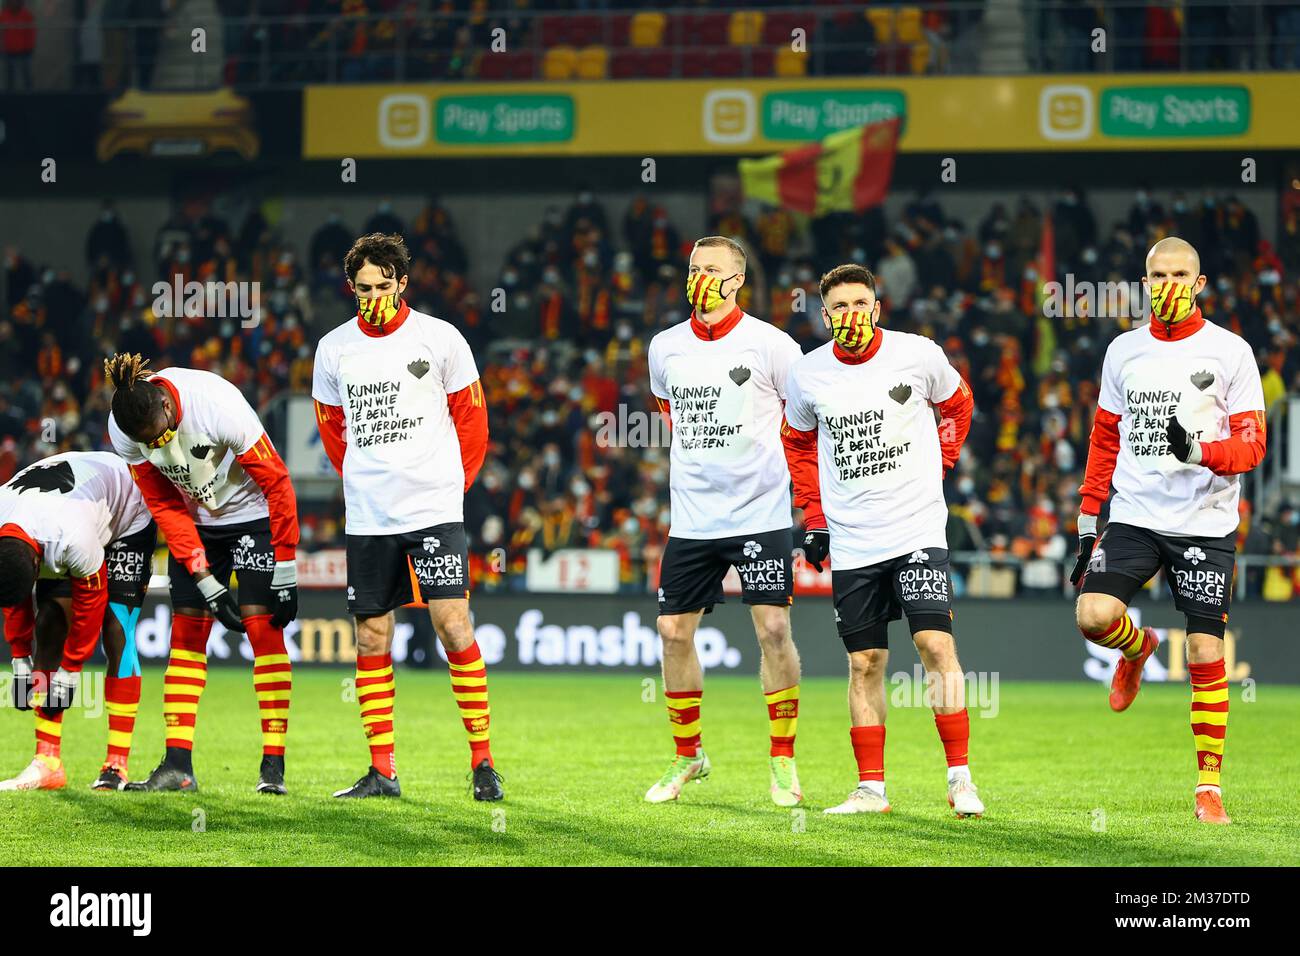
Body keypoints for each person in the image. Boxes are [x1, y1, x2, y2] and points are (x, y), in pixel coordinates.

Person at [1071, 237, 1267, 826]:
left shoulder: (1232, 352)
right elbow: (1105, 437)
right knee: (1092, 616)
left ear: (1200, 283)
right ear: (1145, 281)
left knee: (1207, 648)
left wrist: (1201, 450)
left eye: (1181, 274)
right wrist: (1088, 518)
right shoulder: (1123, 351)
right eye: (1158, 275)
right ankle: (1139, 647)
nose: (1169, 284)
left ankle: (1209, 787)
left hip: (1204, 523)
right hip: (1134, 513)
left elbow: (1253, 444)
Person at [781, 263, 983, 817]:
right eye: (839, 307)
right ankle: (871, 788)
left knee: (934, 646)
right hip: (852, 539)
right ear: (825, 316)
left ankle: (960, 778)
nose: (851, 314)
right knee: (865, 662)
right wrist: (815, 516)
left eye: (859, 303)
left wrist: (940, 460)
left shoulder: (917, 354)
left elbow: (959, 406)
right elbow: (797, 445)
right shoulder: (807, 373)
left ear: (877, 306)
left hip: (916, 526)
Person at [312, 233, 500, 801]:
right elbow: (333, 432)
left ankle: (483, 763)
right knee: (371, 637)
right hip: (370, 515)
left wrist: (449, 488)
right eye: (362, 288)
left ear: (402, 283)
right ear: (352, 288)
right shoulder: (333, 348)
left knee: (453, 624)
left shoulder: (440, 338)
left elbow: (473, 424)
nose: (373, 295)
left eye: (382, 285)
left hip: (434, 510)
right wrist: (370, 480)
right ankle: (383, 771)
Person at [644, 235, 806, 807]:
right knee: (672, 633)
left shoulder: (773, 345)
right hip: (692, 516)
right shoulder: (664, 347)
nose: (699, 277)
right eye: (693, 268)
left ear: (737, 280)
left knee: (774, 630)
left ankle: (783, 761)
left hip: (760, 512)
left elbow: (803, 420)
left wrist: (805, 500)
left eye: (712, 269)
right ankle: (689, 756)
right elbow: (672, 413)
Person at [106, 354, 300, 794]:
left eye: (164, 436)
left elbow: (277, 482)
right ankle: (178, 767)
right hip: (195, 522)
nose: (159, 447)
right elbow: (163, 503)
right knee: (186, 636)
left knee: (262, 627)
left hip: (252, 515)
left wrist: (285, 563)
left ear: (169, 407)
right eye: (149, 444)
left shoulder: (218, 404)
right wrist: (204, 575)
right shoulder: (124, 430)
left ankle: (273, 765)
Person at [0, 452, 154, 791]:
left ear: (39, 564)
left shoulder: (71, 540)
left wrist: (70, 674)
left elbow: (90, 604)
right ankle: (47, 762)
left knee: (116, 630)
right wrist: (19, 659)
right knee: (50, 623)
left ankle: (116, 763)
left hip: (126, 509)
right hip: (64, 513)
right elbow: (13, 595)